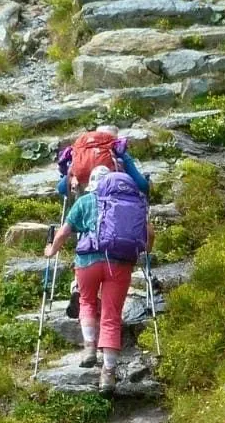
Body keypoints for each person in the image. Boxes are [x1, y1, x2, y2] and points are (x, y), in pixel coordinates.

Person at [45, 164, 152, 392]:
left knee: (87, 301)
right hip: (120, 264)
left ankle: (90, 347)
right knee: (111, 316)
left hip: (87, 263)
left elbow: (63, 233)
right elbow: (148, 236)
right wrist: (144, 251)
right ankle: (108, 374)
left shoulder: (85, 201)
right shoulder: (131, 204)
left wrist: (51, 251)